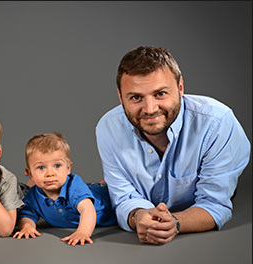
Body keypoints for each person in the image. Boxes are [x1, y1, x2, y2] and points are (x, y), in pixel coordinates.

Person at [95, 46, 251, 245]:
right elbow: (124, 198)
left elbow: (214, 204)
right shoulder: (108, 129)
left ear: (180, 87)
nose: (150, 110)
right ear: (120, 97)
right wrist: (139, 216)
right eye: (136, 97)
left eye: (160, 94)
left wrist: (174, 223)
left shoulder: (218, 123)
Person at [13, 133, 117, 246]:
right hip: (88, 189)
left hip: (108, 199)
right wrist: (27, 227)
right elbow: (27, 215)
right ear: (30, 174)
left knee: (113, 186)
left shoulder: (73, 186)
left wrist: (82, 232)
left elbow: (88, 210)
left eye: (57, 166)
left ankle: (107, 181)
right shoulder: (33, 195)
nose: (50, 173)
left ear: (68, 168)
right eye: (41, 167)